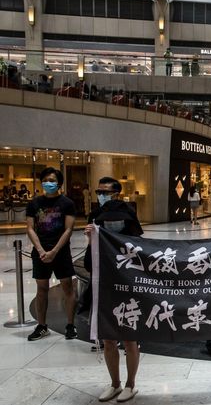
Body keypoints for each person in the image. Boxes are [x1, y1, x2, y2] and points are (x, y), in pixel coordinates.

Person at [84, 176, 143, 402]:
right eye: (99, 191)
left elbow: (138, 250)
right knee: (108, 338)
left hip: (126, 284)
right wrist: (91, 239)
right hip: (104, 285)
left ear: (116, 193)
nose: (101, 195)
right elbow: (91, 261)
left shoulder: (127, 215)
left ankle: (130, 384)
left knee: (129, 338)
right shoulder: (95, 216)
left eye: (105, 191)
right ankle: (115, 383)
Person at [25, 167, 77, 341]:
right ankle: (42, 325)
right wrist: (40, 250)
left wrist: (54, 251)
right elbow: (30, 228)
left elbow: (69, 229)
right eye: (46, 180)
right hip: (40, 253)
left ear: (59, 183)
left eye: (53, 180)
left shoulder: (67, 203)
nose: (49, 183)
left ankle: (70, 325)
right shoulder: (34, 203)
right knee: (41, 289)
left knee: (67, 288)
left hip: (61, 252)